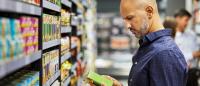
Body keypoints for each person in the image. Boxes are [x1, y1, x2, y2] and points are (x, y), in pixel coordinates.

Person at [92, 0, 188, 86]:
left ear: (149, 12)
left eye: (130, 18)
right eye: (124, 20)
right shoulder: (149, 46)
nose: (127, 26)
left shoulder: (165, 53)